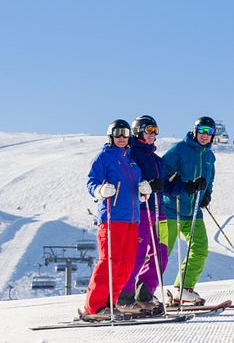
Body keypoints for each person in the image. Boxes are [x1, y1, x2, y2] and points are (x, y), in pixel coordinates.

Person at [117, 115, 187, 312]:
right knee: (138, 256)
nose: (153, 134)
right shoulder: (130, 155)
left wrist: (187, 186)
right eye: (149, 130)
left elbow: (165, 186)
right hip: (140, 212)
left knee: (161, 256)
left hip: (159, 214)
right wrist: (144, 187)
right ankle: (125, 297)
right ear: (138, 131)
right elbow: (128, 182)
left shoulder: (157, 160)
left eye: (155, 131)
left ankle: (145, 295)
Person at [82, 119, 147, 318]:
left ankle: (110, 302)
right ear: (110, 136)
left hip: (132, 219)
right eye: (117, 133)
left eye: (125, 134)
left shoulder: (131, 160)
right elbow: (91, 181)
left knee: (126, 264)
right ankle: (94, 307)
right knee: (110, 261)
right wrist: (100, 190)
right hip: (112, 217)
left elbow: (135, 188)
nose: (121, 137)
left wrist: (145, 191)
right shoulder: (104, 157)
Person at [159, 116, 216, 305]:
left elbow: (209, 179)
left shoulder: (209, 156)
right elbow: (162, 177)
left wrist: (207, 194)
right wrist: (183, 186)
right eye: (202, 130)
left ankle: (182, 289)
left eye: (209, 132)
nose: (205, 135)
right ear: (195, 131)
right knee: (162, 253)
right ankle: (142, 294)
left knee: (200, 250)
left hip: (193, 213)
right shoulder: (180, 150)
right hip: (172, 209)